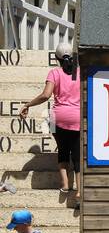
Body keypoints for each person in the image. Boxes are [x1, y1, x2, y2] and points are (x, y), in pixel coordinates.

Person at [19, 41, 81, 204]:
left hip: (57, 117)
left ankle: (65, 185)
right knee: (76, 153)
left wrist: (27, 105)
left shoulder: (54, 73)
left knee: (62, 150)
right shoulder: (79, 73)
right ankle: (80, 190)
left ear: (57, 58)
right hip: (77, 117)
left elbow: (45, 95)